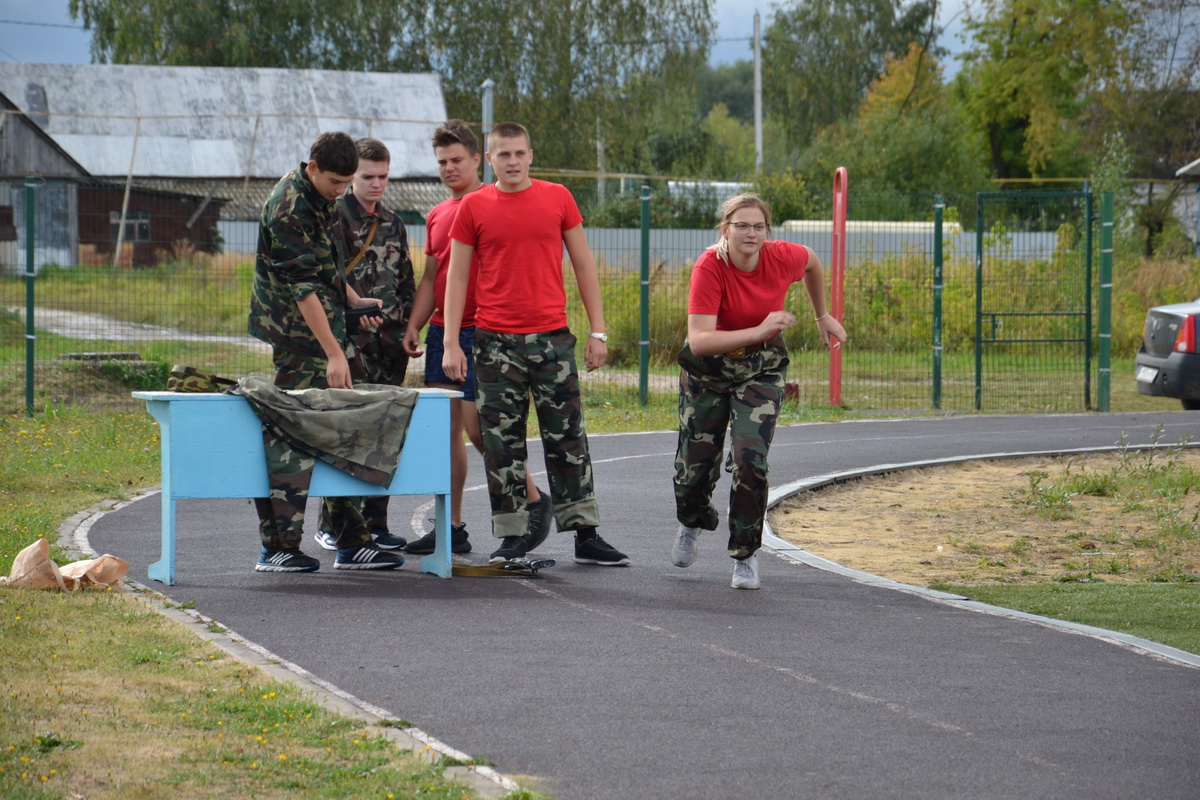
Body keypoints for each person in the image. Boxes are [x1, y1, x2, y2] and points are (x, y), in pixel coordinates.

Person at [441, 121, 629, 566]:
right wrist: (452, 342)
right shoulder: (473, 206)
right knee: (501, 443)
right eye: (503, 155)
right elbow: (458, 277)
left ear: (530, 156)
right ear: (489, 160)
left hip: (552, 341)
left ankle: (586, 534)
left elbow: (583, 265)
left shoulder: (558, 198)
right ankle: (512, 534)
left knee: (567, 439)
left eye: (519, 154)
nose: (512, 162)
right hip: (494, 343)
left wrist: (598, 332)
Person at [670, 193, 847, 589]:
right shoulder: (709, 267)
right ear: (725, 230)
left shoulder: (782, 257)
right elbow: (699, 341)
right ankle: (692, 521)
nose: (750, 233)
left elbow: (814, 263)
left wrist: (822, 315)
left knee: (751, 459)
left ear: (767, 230)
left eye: (758, 226)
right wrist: (760, 328)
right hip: (709, 371)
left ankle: (745, 555)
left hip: (761, 370)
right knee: (694, 469)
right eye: (741, 225)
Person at [247, 131, 403, 573]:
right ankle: (276, 546)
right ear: (312, 167)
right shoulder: (287, 207)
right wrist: (335, 353)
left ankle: (350, 541)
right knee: (292, 436)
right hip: (297, 339)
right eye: (336, 182)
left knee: (339, 431)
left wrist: (352, 302)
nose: (341, 191)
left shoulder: (319, 195)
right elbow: (302, 288)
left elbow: (327, 266)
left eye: (345, 183)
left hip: (322, 329)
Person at [401, 120, 552, 557]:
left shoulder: (492, 204)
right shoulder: (436, 214)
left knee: (483, 432)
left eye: (456, 160)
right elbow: (433, 277)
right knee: (443, 435)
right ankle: (451, 527)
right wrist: (416, 322)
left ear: (476, 160)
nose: (449, 168)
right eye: (441, 162)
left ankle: (534, 500)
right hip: (442, 333)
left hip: (482, 332)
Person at [311, 137, 415, 553]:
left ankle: (376, 523)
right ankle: (332, 524)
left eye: (383, 177)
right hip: (348, 342)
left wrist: (409, 327)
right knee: (345, 433)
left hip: (388, 344)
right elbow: (324, 278)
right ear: (353, 176)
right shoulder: (331, 215)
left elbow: (405, 277)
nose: (376, 184)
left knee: (386, 434)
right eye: (368, 176)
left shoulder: (393, 221)